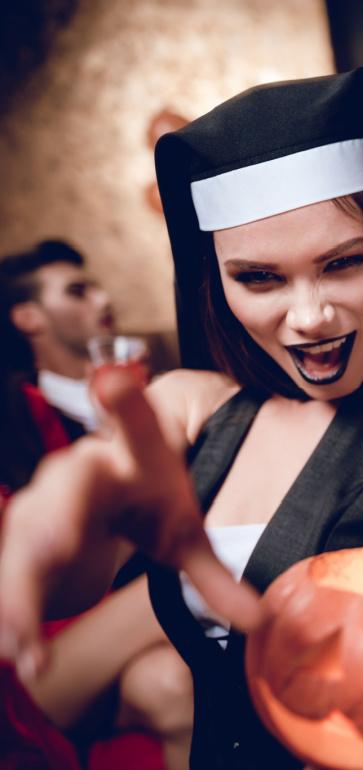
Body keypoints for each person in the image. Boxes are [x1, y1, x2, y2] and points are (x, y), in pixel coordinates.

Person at [0, 68, 363, 770]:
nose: (309, 317)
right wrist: (48, 523)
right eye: (260, 278)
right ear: (215, 282)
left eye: (343, 264)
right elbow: (75, 585)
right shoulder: (188, 408)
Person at [0, 305, 192, 770]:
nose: (102, 302)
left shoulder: (24, 409)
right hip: (22, 666)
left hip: (72, 633)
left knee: (166, 683)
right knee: (178, 584)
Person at [0, 241, 115, 438]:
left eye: (96, 288)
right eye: (77, 291)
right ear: (28, 318)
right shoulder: (21, 421)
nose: (104, 299)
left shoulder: (142, 378)